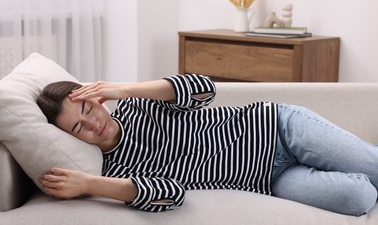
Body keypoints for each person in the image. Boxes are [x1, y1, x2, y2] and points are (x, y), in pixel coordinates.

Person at [37, 74, 378, 215]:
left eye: (87, 108)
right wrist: (89, 184)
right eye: (78, 128)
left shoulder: (134, 105)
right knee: (359, 197)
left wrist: (124, 89)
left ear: (96, 97)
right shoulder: (115, 173)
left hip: (278, 128)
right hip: (270, 180)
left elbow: (204, 89)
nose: (94, 124)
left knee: (373, 168)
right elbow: (170, 194)